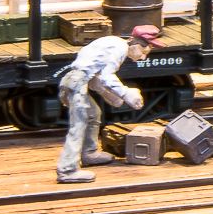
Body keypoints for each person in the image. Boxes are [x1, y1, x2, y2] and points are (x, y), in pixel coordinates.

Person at [56, 26, 165, 183]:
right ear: (136, 44)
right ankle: (67, 170)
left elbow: (93, 78)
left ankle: (89, 153)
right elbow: (107, 77)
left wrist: (110, 95)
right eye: (143, 52)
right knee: (78, 125)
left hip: (73, 82)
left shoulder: (112, 43)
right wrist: (125, 93)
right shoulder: (119, 48)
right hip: (76, 84)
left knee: (94, 114)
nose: (143, 58)